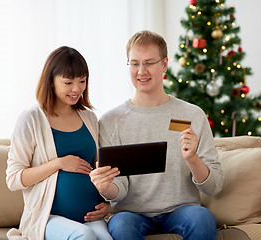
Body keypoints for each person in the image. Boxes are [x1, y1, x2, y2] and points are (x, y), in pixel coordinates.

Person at [90, 30, 224, 240]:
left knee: (202, 218)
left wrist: (193, 159)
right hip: (130, 214)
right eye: (134, 63)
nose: (141, 71)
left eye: (149, 63)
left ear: (164, 65)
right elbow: (119, 189)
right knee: (122, 225)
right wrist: (106, 188)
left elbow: (214, 187)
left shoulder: (192, 114)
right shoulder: (110, 121)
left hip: (182, 210)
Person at [6, 46, 113, 240]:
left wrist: (107, 204)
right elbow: (13, 178)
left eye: (82, 81)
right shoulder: (31, 118)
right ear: (51, 82)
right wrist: (59, 163)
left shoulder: (89, 118)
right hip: (48, 218)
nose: (77, 89)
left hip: (90, 216)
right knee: (85, 236)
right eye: (68, 82)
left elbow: (100, 168)